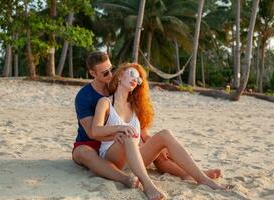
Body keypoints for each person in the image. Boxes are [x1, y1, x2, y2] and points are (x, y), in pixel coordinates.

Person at [91, 63, 230, 200]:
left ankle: (202, 178)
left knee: (165, 134)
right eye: (133, 74)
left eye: (139, 79)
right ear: (120, 75)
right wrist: (120, 128)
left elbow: (143, 135)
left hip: (134, 158)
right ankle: (148, 185)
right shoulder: (105, 102)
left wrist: (159, 147)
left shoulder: (134, 107)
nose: (136, 80)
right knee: (128, 135)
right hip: (112, 156)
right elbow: (95, 131)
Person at [72, 51, 140, 188]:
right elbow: (92, 133)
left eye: (111, 69)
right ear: (92, 73)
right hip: (89, 142)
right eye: (105, 73)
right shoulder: (84, 97)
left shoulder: (114, 88)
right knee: (83, 153)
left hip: (114, 142)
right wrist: (116, 135)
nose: (110, 75)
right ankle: (125, 179)